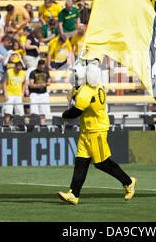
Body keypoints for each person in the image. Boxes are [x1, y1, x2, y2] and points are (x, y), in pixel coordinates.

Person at [57, 51, 136, 205]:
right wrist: (75, 93)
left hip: (96, 130)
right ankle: (74, 194)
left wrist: (65, 115)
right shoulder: (97, 85)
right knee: (81, 162)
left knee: (102, 163)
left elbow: (75, 112)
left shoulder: (85, 93)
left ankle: (128, 182)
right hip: (87, 130)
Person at [3, 61, 28, 126]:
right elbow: (4, 83)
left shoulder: (23, 73)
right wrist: (5, 94)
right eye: (17, 69)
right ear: (15, 67)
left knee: (19, 112)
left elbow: (24, 83)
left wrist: (23, 93)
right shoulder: (9, 72)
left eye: (20, 69)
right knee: (8, 112)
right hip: (10, 94)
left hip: (18, 94)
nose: (18, 70)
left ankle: (18, 126)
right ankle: (6, 126)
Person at [29, 59, 51, 127]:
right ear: (38, 65)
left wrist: (46, 84)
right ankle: (33, 126)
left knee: (43, 112)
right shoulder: (33, 72)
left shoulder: (46, 72)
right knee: (34, 111)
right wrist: (39, 85)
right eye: (40, 66)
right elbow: (31, 84)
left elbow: (49, 82)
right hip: (35, 94)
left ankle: (42, 125)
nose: (42, 68)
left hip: (43, 94)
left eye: (43, 66)